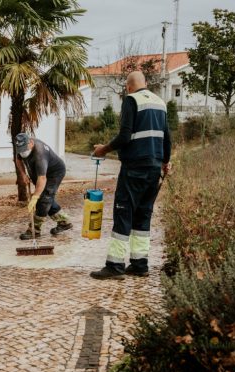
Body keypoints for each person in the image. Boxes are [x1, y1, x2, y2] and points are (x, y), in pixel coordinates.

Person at [89, 71, 172, 280]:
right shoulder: (160, 102)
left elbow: (125, 136)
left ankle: (115, 266)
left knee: (123, 212)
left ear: (128, 87)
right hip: (154, 169)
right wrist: (165, 162)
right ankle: (139, 264)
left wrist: (104, 149)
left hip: (134, 167)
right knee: (143, 216)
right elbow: (167, 138)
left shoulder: (131, 101)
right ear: (146, 83)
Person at [14, 132, 73, 239]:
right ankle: (64, 222)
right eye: (20, 150)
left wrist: (35, 197)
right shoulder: (21, 146)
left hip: (54, 173)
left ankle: (34, 230)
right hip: (38, 173)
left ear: (30, 143)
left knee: (44, 199)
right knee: (47, 197)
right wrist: (23, 174)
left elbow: (42, 178)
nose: (23, 153)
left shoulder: (40, 153)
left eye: (24, 150)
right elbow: (18, 160)